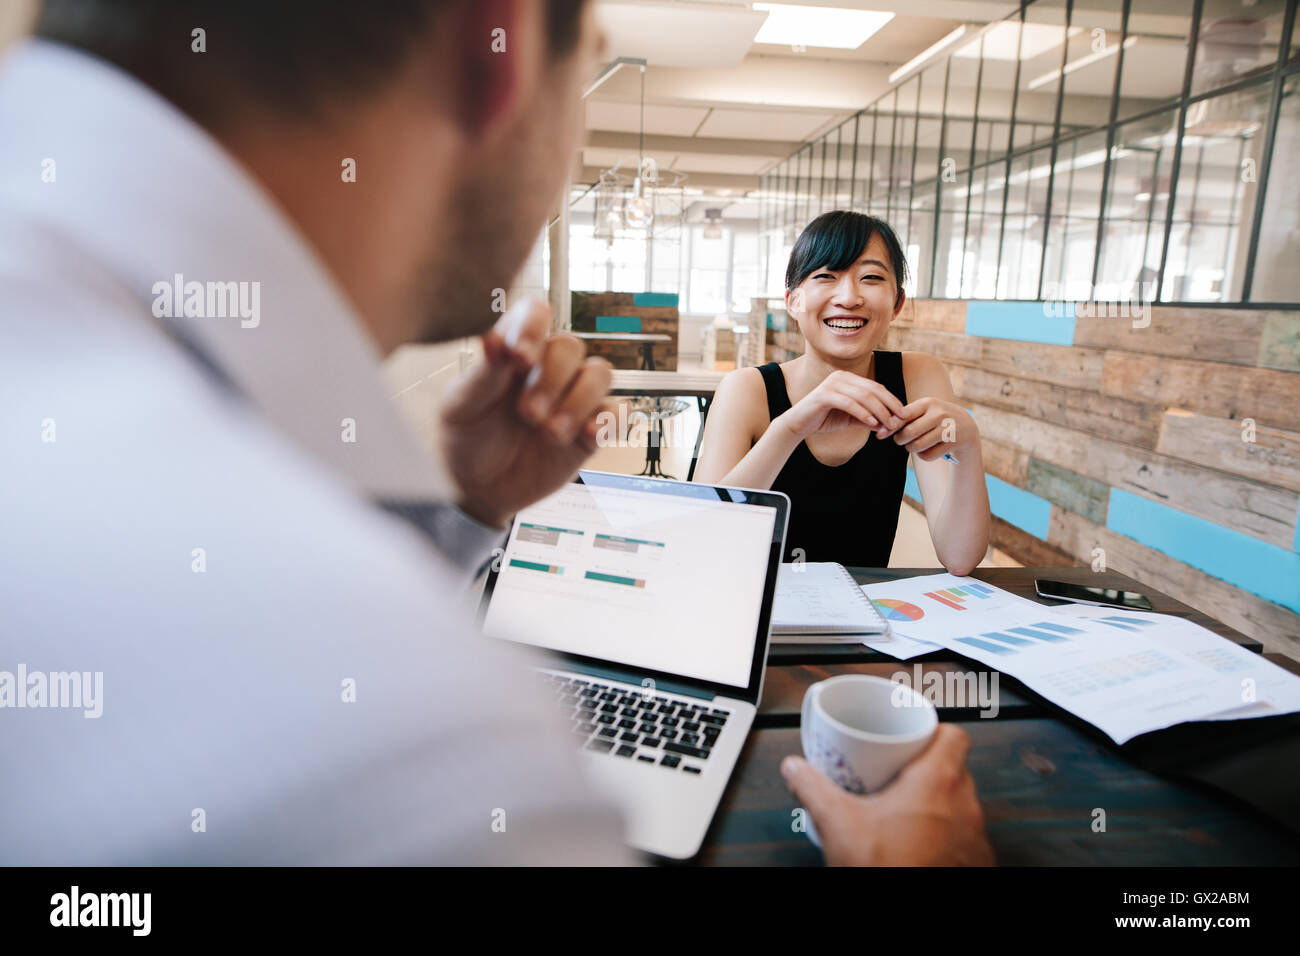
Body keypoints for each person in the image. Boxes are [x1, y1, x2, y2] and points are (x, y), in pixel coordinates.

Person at [0, 0, 992, 866]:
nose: (847, 295)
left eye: (870, 276)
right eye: (588, 59)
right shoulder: (433, 741)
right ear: (500, 43)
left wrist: (467, 513)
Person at [693, 211, 991, 575]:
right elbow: (703, 537)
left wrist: (968, 446)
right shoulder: (747, 389)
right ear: (793, 301)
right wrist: (790, 428)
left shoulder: (917, 376)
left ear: (897, 303)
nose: (848, 298)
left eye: (871, 278)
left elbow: (959, 557)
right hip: (754, 613)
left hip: (866, 616)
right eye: (825, 277)